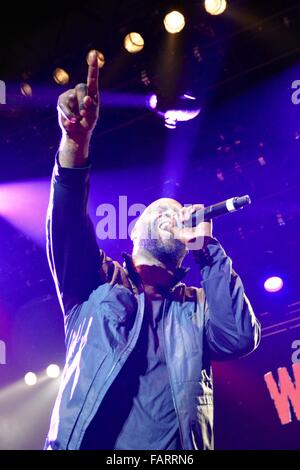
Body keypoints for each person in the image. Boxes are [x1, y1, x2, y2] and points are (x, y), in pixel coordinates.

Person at [45, 51, 261, 450]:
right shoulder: (97, 282)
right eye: (160, 211)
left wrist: (208, 251)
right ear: (135, 229)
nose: (172, 214)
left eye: (178, 214)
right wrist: (76, 142)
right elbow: (67, 220)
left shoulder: (196, 307)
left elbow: (239, 338)